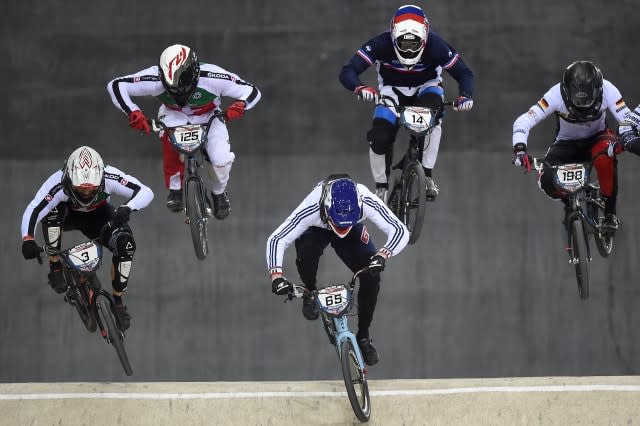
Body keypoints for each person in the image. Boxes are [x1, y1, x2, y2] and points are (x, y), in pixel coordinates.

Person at [266, 174, 409, 366]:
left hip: (353, 228)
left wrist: (382, 255)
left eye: (346, 223)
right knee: (307, 251)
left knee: (371, 274)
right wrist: (276, 275)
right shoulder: (312, 205)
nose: (341, 229)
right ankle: (309, 291)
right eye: (338, 224)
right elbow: (277, 239)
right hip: (318, 227)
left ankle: (364, 335)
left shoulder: (365, 199)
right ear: (326, 208)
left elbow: (400, 230)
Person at [107, 44, 261, 218]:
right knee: (169, 139)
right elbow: (116, 85)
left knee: (220, 159)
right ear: (162, 76)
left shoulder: (213, 76)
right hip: (174, 114)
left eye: (184, 85)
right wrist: (133, 112)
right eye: (172, 87)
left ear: (195, 73)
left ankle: (219, 192)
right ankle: (175, 189)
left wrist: (241, 104)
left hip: (208, 115)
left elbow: (251, 90)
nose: (180, 92)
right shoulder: (154, 77)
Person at [339, 4, 474, 202]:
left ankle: (427, 174)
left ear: (425, 39)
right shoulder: (380, 44)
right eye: (403, 44)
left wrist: (466, 95)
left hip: (426, 88)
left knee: (433, 118)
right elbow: (348, 70)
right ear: (393, 37)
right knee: (379, 137)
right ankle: (381, 187)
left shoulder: (436, 45)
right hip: (392, 91)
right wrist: (360, 88)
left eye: (414, 44)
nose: (409, 50)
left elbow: (464, 73)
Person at [20, 146, 154, 331]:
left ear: (100, 178)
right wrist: (27, 239)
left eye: (91, 188)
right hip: (67, 216)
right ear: (68, 178)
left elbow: (146, 191)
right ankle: (55, 264)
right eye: (80, 188)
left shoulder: (109, 175)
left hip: (98, 218)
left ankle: (118, 302)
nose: (85, 193)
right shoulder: (56, 182)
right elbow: (35, 208)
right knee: (51, 212)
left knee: (126, 245)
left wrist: (128, 207)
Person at [512, 60, 634, 231]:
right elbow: (525, 120)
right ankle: (569, 199)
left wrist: (627, 139)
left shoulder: (608, 90)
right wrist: (520, 149)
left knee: (606, 158)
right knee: (547, 181)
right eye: (578, 101)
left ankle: (610, 214)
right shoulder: (555, 94)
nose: (582, 106)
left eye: (587, 101)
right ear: (567, 91)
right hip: (566, 143)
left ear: (598, 91)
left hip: (598, 137)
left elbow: (628, 119)